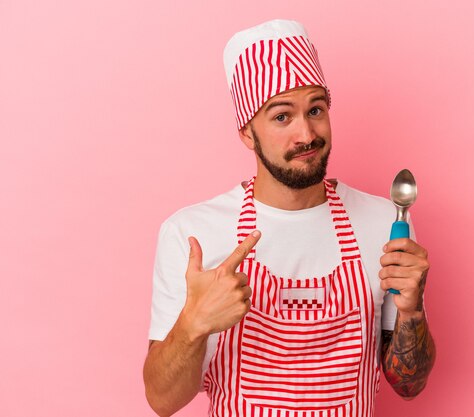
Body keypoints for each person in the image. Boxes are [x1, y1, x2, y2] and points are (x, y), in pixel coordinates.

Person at [143, 19, 435, 417]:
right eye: (282, 117)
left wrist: (412, 310)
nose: (306, 134)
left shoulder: (385, 223)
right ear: (248, 133)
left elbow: (408, 385)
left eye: (315, 109)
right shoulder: (192, 233)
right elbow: (162, 401)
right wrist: (193, 325)